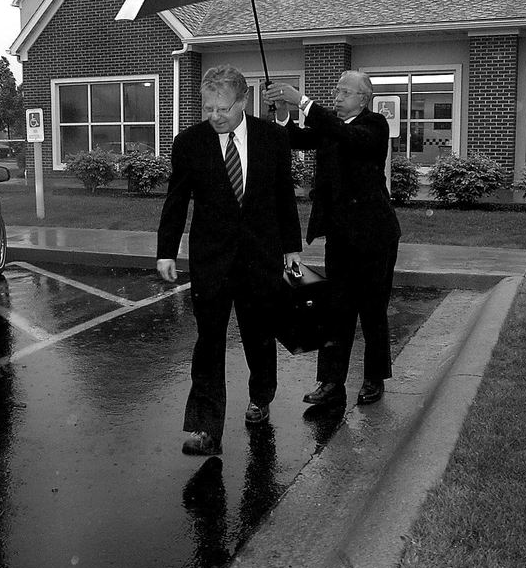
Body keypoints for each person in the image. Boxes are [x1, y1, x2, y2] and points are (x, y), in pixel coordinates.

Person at [157, 64, 302, 456]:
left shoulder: (271, 137)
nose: (215, 116)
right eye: (208, 108)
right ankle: (206, 427)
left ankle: (261, 396)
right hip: (212, 261)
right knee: (208, 343)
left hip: (261, 257)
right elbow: (176, 201)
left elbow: (283, 196)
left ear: (242, 101)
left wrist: (292, 248)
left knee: (259, 334)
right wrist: (166, 251)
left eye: (223, 108)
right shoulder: (189, 143)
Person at [264, 71, 401, 407]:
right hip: (340, 237)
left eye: (344, 92)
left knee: (372, 311)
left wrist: (302, 101)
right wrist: (284, 110)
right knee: (336, 312)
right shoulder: (329, 129)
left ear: (363, 98)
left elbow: (345, 135)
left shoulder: (374, 125)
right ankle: (330, 382)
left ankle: (373, 378)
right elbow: (291, 139)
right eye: (336, 91)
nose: (337, 97)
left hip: (375, 237)